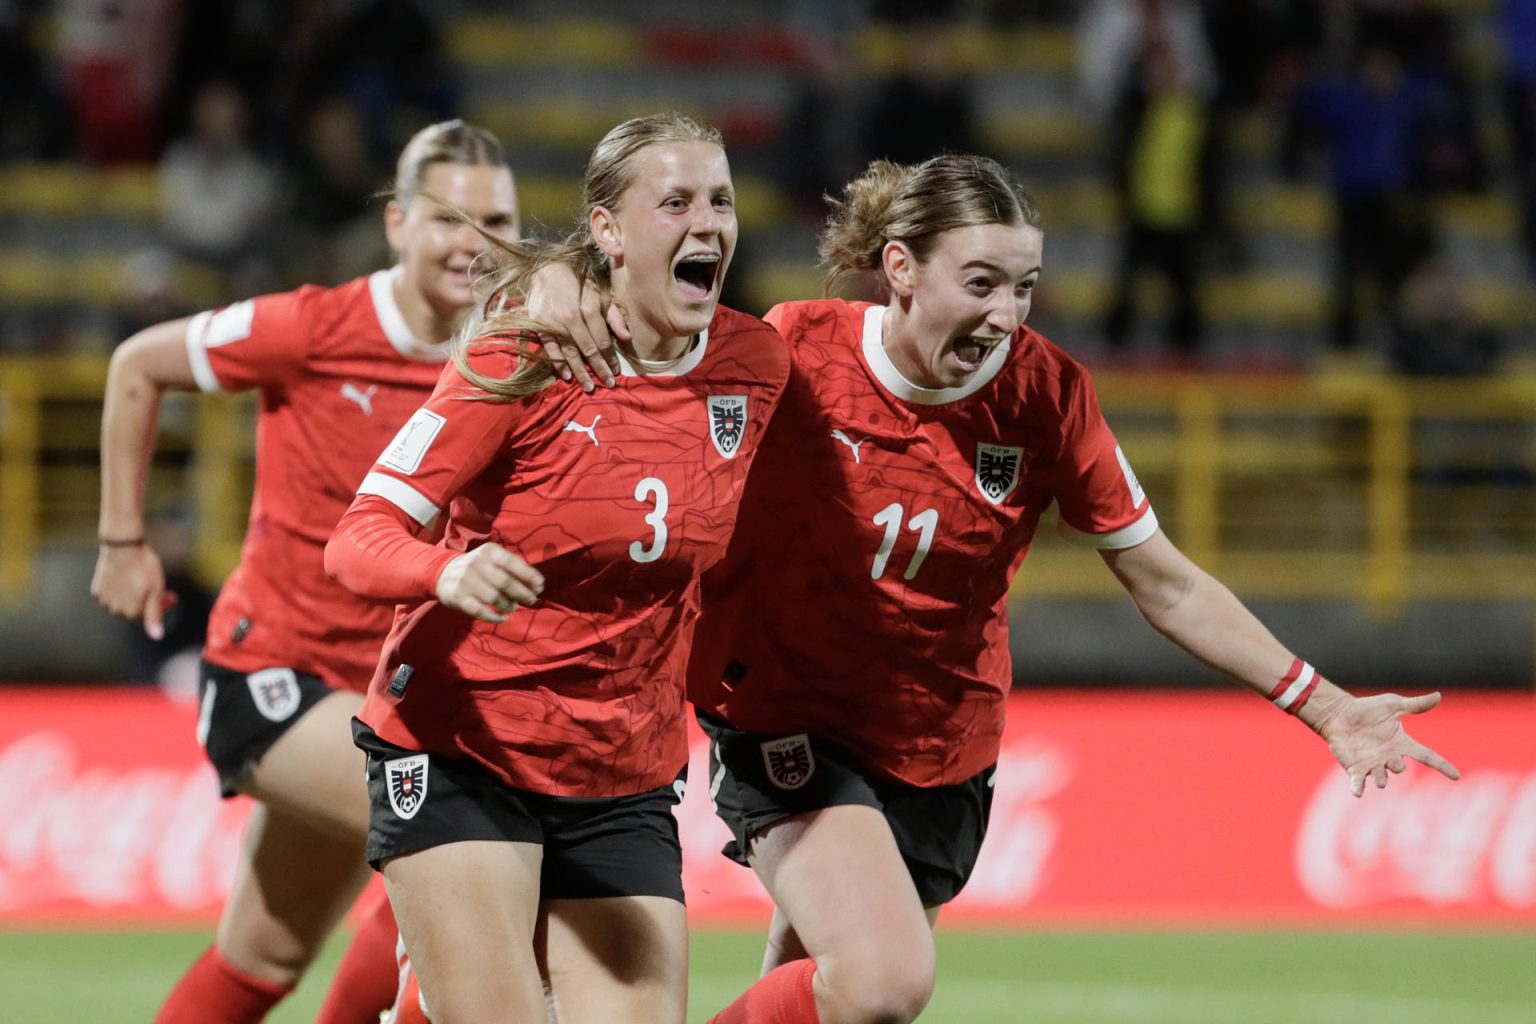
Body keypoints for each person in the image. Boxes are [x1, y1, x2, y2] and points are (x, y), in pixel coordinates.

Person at [533, 153, 1461, 1024]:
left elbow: (1165, 582)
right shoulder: (795, 351)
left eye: (1024, 287)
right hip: (785, 718)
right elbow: (644, 349)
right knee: (886, 980)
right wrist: (563, 282)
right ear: (900, 267)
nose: (1007, 314)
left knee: (824, 988)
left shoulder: (1047, 396)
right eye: (980, 283)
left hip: (943, 742)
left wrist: (1323, 704)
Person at [323, 112, 790, 1024]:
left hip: (623, 767)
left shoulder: (755, 363)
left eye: (721, 201)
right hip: (462, 740)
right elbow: (361, 533)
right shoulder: (524, 355)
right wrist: (443, 575)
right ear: (608, 232)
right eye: (677, 202)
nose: (708, 224)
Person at [90, 118, 519, 1024]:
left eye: (500, 223)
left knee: (259, 963)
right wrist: (123, 542)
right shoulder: (315, 328)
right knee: (455, 852)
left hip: (381, 704)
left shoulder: (510, 364)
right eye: (451, 219)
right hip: (272, 678)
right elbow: (137, 364)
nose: (476, 245)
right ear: (398, 223)